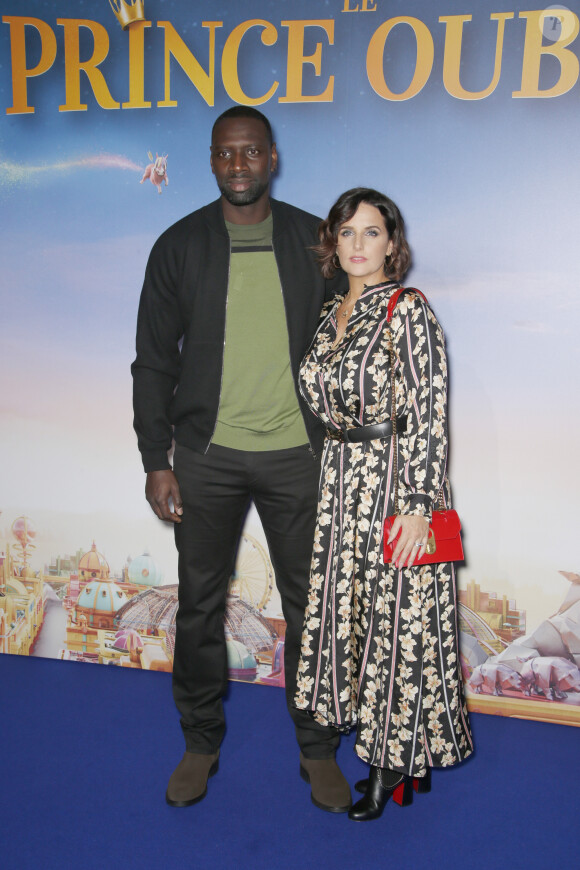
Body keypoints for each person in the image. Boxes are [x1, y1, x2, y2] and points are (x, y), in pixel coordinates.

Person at [131, 106, 351, 813]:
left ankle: (317, 750)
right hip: (206, 459)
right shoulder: (179, 245)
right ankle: (199, 743)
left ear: (272, 158)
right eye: (226, 154)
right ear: (212, 160)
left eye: (251, 152)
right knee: (198, 609)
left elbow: (351, 345)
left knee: (311, 610)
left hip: (299, 458)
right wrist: (155, 458)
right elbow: (152, 363)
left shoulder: (314, 243)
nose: (238, 165)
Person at [294, 188, 474, 822]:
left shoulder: (408, 310)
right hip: (342, 484)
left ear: (392, 244)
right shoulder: (328, 317)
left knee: (398, 629)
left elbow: (430, 414)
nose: (359, 245)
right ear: (332, 243)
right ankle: (404, 757)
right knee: (358, 621)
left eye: (372, 233)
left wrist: (421, 506)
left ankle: (389, 761)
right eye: (347, 233)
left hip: (400, 486)